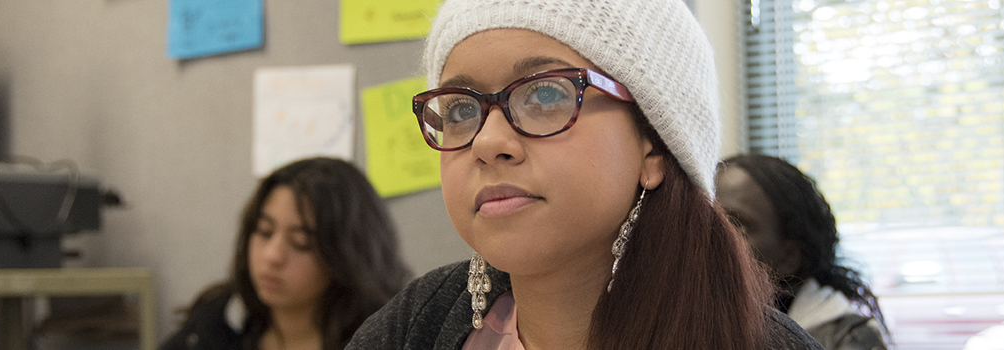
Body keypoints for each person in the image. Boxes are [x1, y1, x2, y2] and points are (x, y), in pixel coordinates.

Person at [347, 0, 823, 349]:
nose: (488, 142)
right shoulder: (414, 327)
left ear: (654, 145)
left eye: (547, 95)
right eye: (458, 109)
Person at [160, 157, 412, 350]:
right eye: (264, 231)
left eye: (301, 243)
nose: (272, 256)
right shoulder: (217, 323)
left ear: (347, 255)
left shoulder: (387, 338)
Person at [717, 154, 889, 350]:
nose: (711, 236)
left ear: (788, 257)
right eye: (708, 220)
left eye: (736, 224)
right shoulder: (695, 321)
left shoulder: (848, 339)